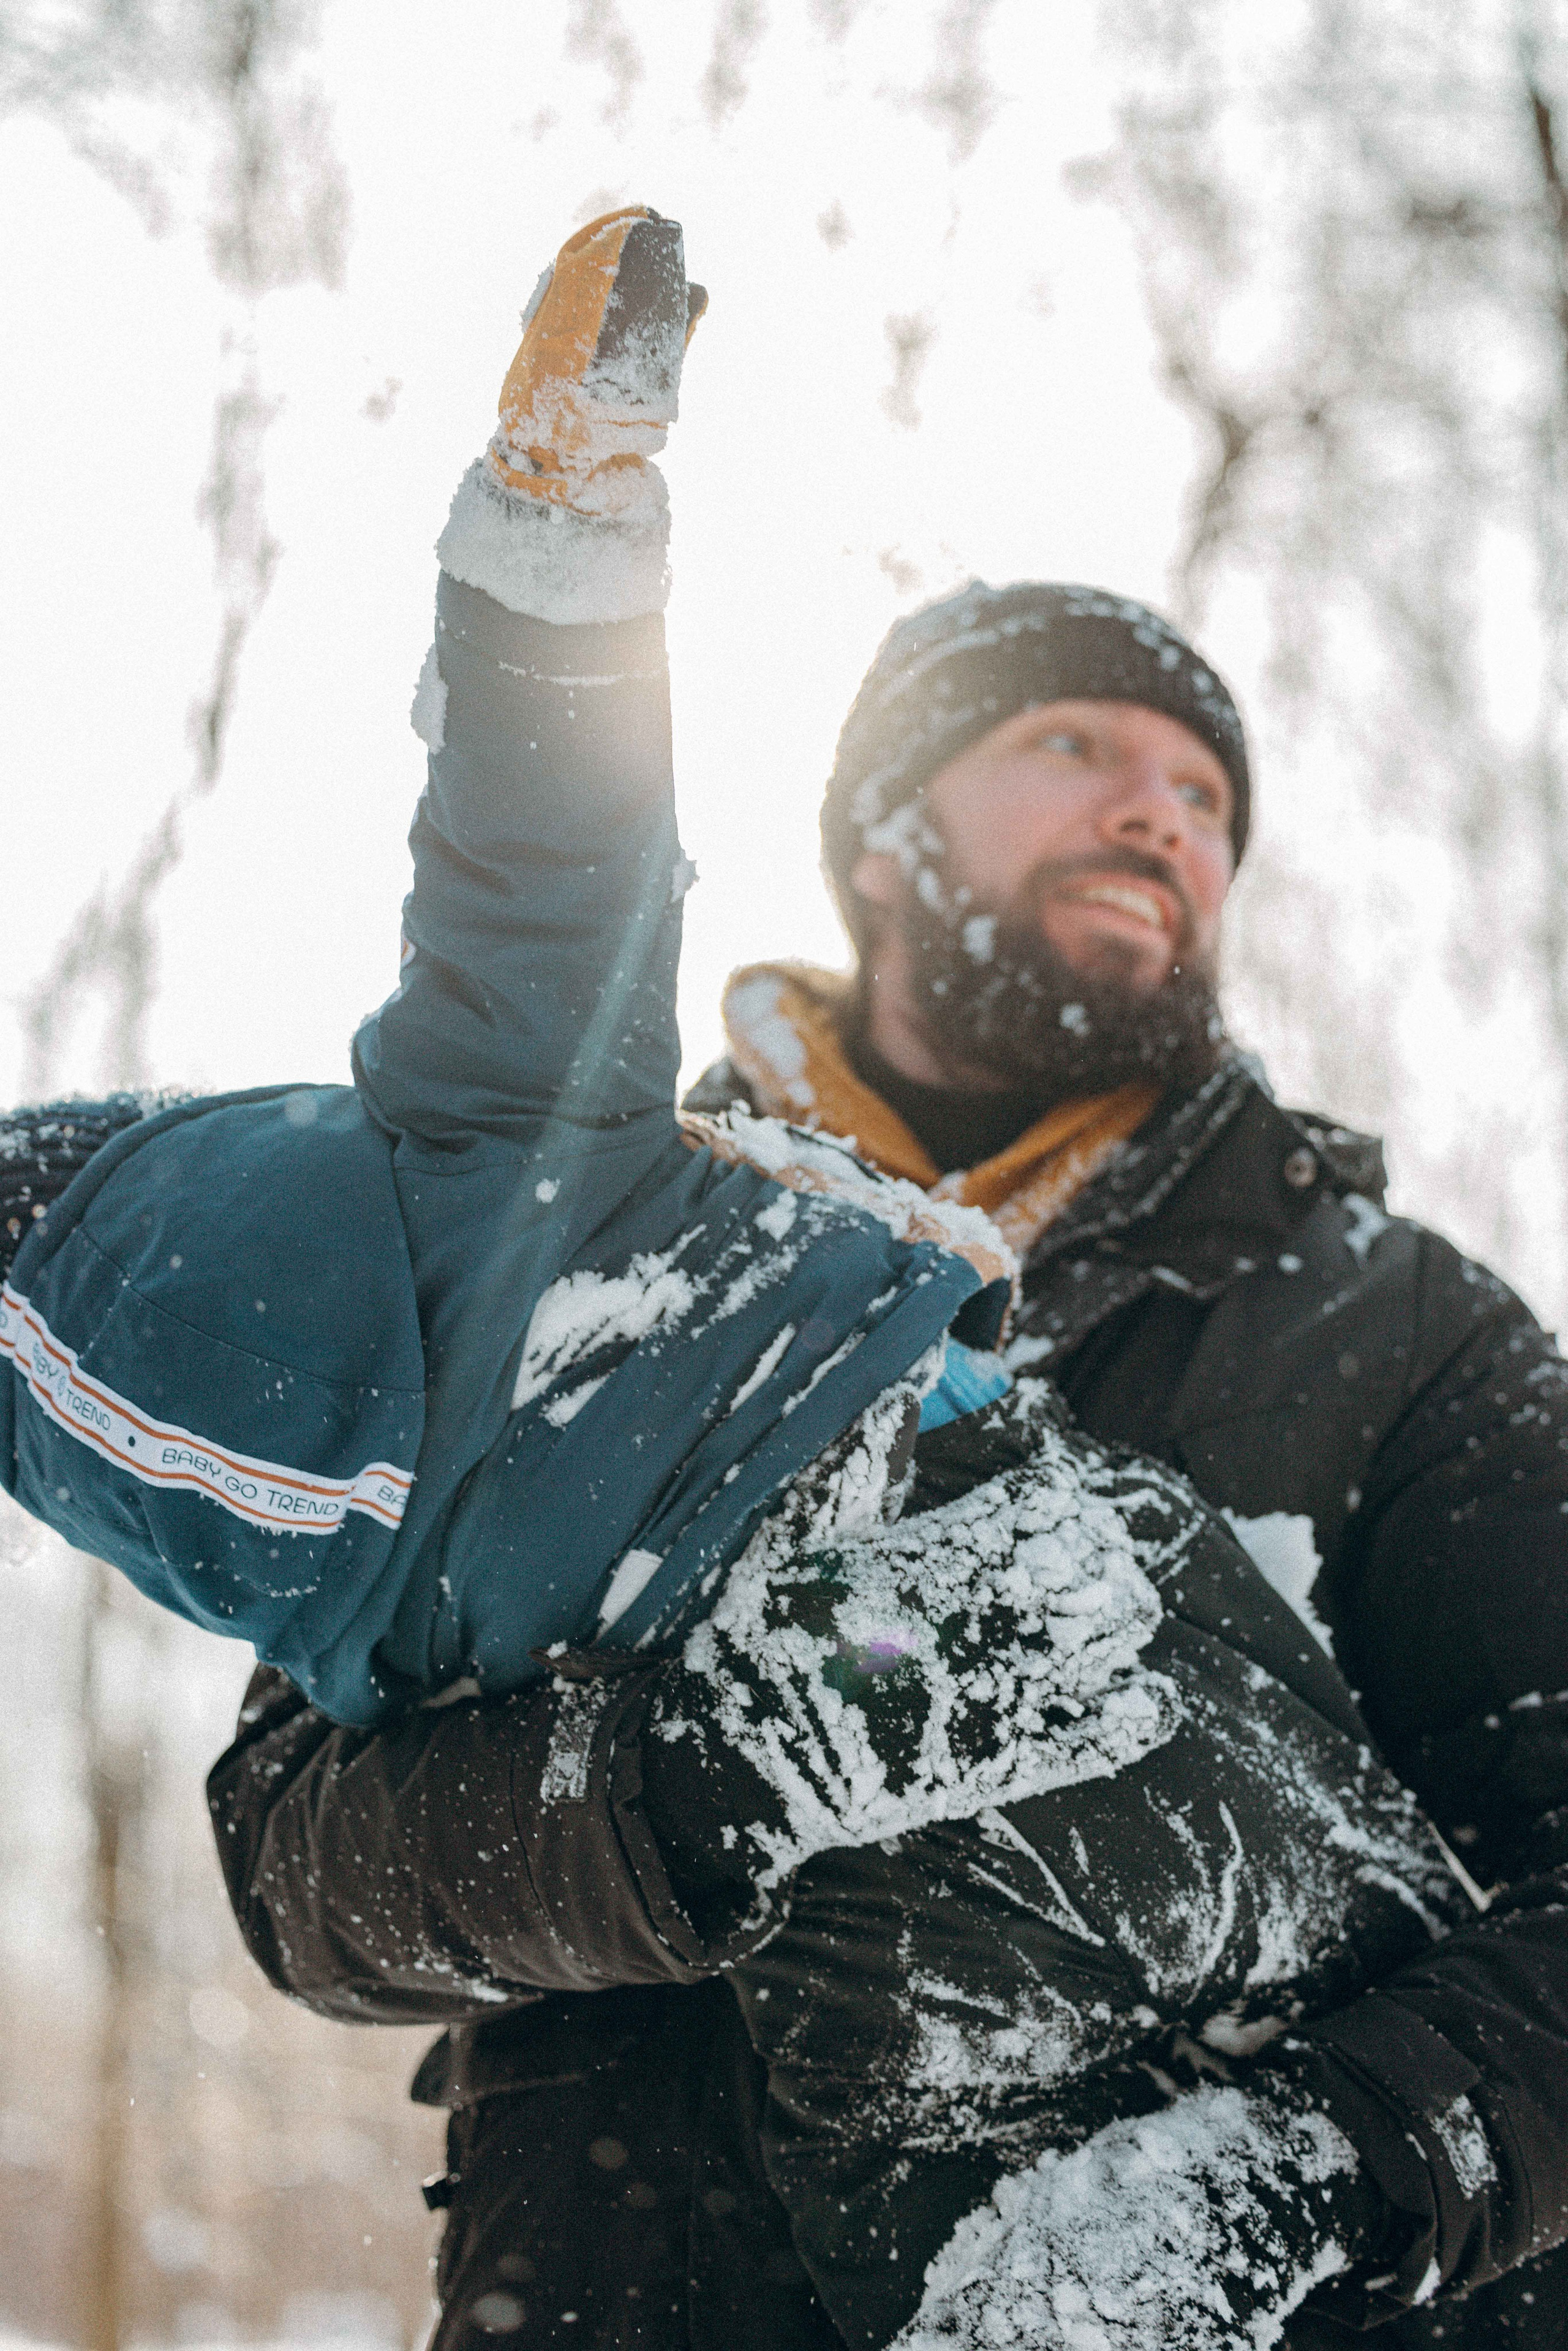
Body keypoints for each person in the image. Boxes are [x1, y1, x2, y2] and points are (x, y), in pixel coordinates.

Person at [9, 215, 1568, 2344]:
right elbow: (308, 1885)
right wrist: (687, 1795)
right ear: (883, 837)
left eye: (1206, 796)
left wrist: (1308, 2178)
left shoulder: (1403, 1334)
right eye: (1079, 752)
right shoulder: (593, 1242)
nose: (1163, 816)